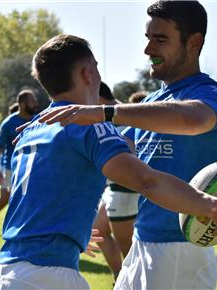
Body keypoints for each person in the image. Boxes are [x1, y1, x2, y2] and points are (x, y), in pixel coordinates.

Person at [0, 34, 217, 290]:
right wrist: (214, 207)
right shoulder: (90, 126)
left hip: (6, 269)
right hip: (46, 277)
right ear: (89, 74)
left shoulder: (34, 128)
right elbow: (147, 181)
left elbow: (42, 189)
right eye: (97, 69)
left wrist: (72, 227)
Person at [93, 82, 140, 282]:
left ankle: (135, 283)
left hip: (125, 189)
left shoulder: (123, 117)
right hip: (113, 188)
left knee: (128, 248)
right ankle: (119, 278)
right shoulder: (113, 115)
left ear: (98, 98)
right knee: (98, 231)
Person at [0, 90, 39, 234]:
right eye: (32, 101)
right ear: (22, 104)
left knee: (26, 198)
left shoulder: (37, 121)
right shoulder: (9, 123)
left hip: (31, 167)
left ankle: (27, 232)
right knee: (6, 198)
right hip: (10, 168)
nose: (36, 104)